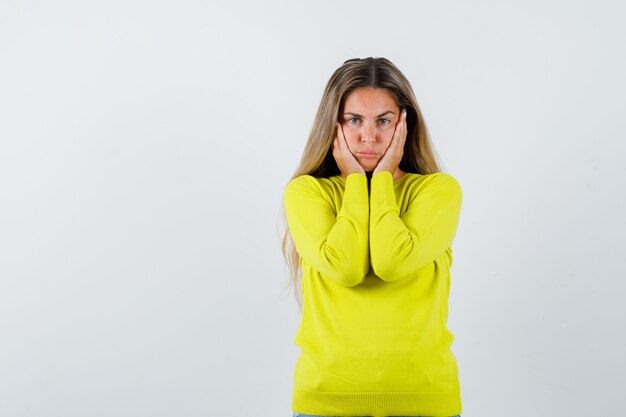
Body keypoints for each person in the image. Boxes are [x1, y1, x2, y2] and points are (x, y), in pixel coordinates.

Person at [281, 57, 463, 417]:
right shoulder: (306, 193)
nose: (369, 136)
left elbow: (391, 261)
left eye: (384, 121)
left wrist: (380, 180)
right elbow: (345, 267)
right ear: (333, 125)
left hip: (424, 403)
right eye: (354, 120)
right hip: (325, 403)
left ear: (405, 125)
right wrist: (354, 184)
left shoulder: (438, 191)